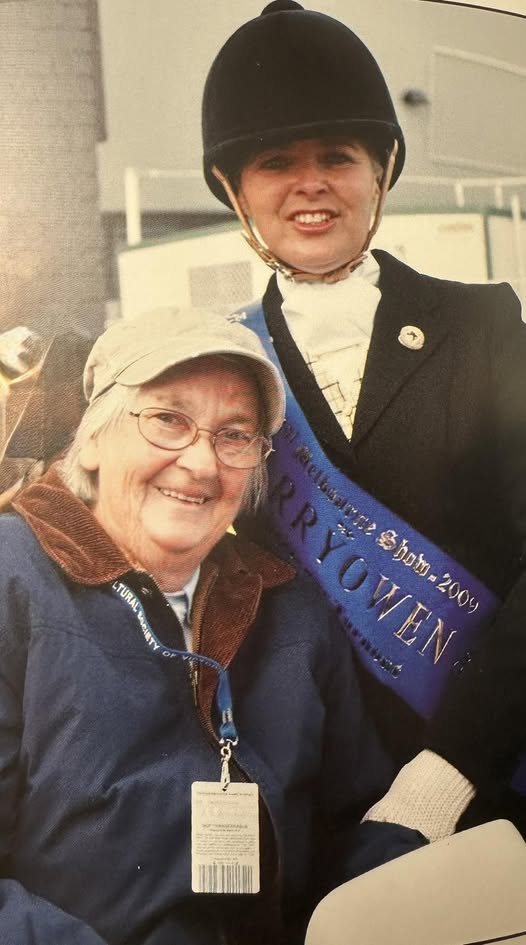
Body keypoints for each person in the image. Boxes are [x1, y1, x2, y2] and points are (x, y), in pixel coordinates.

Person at [201, 0, 526, 840]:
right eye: (276, 161)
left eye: (337, 156)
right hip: (307, 785)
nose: (310, 183)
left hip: (487, 772)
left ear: (380, 171)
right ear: (236, 191)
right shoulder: (216, 361)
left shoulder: (485, 326)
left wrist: (450, 770)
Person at [0, 306, 425, 945]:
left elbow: (350, 823)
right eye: (169, 420)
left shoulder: (292, 607)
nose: (201, 463)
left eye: (234, 434)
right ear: (92, 439)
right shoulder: (14, 578)